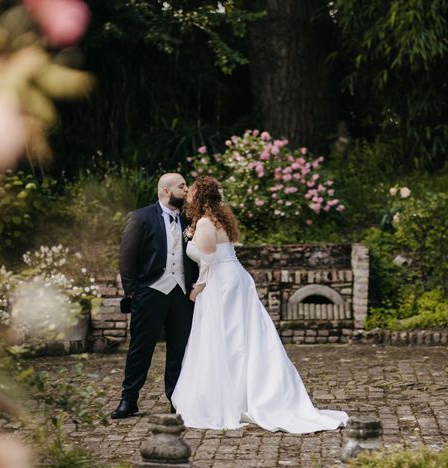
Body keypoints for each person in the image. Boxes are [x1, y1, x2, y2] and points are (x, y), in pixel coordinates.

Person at [171, 176, 348, 433]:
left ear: (200, 197)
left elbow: (208, 259)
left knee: (227, 337)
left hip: (221, 281)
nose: (187, 194)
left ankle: (231, 397)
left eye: (192, 191)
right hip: (232, 277)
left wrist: (198, 286)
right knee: (240, 336)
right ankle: (239, 393)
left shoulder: (206, 223)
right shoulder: (217, 219)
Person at [111, 173, 198, 419]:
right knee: (140, 348)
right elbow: (126, 259)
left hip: (181, 293)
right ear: (166, 191)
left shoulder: (189, 218)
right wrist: (134, 293)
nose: (186, 190)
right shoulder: (140, 217)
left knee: (179, 350)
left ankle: (176, 399)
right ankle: (129, 399)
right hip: (150, 293)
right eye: (182, 186)